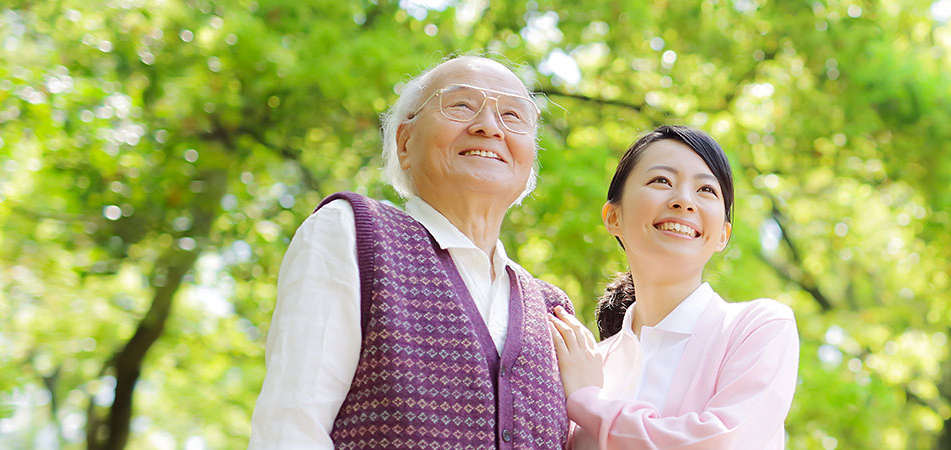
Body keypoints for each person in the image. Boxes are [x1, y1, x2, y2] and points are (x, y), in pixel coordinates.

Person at [250, 55, 575, 449]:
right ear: (405, 142)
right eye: (461, 105)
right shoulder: (352, 233)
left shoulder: (553, 310)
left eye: (512, 115)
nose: (489, 127)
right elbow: (291, 427)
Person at [547, 125, 800, 449]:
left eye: (706, 190)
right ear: (613, 217)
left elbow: (720, 441)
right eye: (661, 181)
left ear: (723, 234)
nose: (683, 200)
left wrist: (588, 403)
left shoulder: (756, 328)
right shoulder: (588, 362)